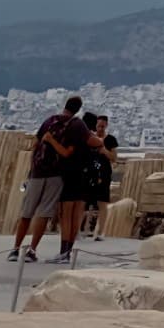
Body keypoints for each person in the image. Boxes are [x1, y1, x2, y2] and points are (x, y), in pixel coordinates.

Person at [10, 95, 82, 262]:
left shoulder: (49, 121)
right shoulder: (73, 126)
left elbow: (35, 144)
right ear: (78, 109)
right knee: (43, 213)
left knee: (26, 213)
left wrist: (32, 167)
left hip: (37, 172)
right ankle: (32, 250)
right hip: (55, 174)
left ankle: (15, 249)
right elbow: (66, 153)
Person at [56, 111, 107, 261]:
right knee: (76, 214)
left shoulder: (77, 136)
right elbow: (100, 144)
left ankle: (63, 250)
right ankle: (68, 251)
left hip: (71, 176)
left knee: (66, 215)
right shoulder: (93, 140)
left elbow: (65, 153)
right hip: (85, 179)